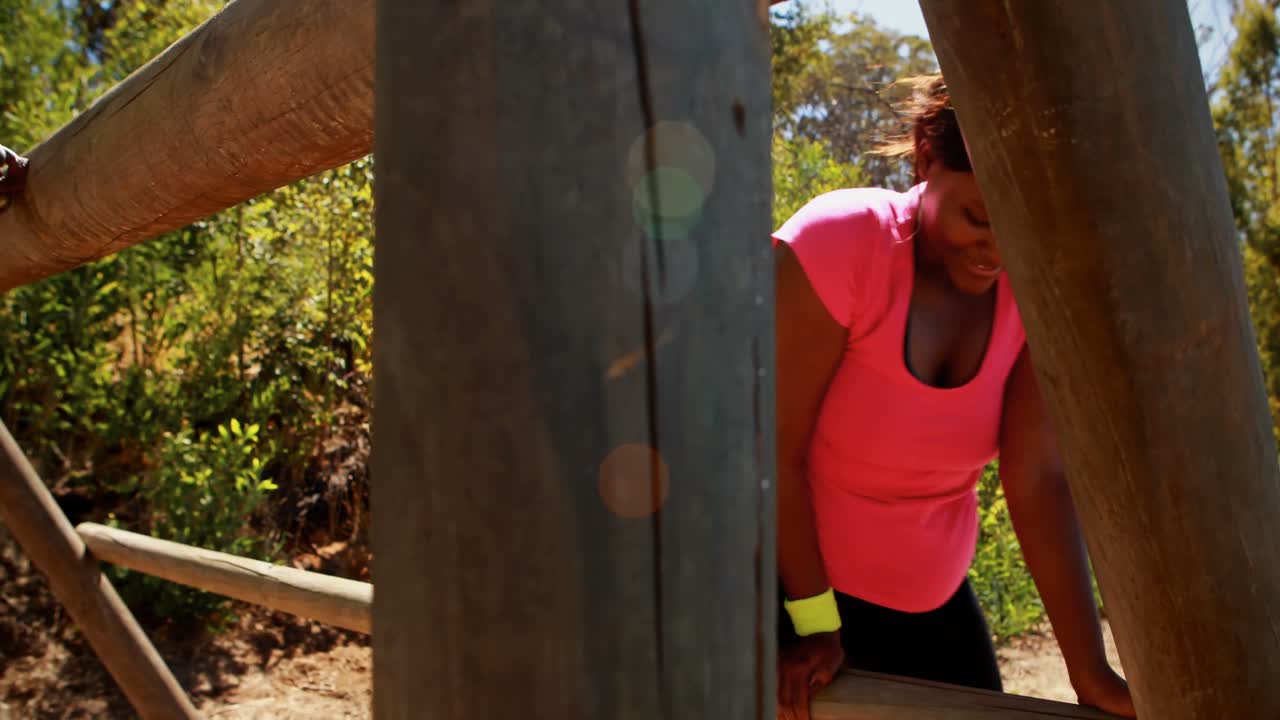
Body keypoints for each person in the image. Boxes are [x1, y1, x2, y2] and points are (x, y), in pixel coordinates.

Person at [773, 76, 1136, 720]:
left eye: (1020, 233)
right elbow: (769, 450)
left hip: (933, 605)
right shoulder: (842, 244)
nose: (997, 253)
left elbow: (1038, 477)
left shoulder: (1036, 287)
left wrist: (1089, 673)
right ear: (924, 160)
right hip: (794, 599)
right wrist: (814, 623)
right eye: (978, 218)